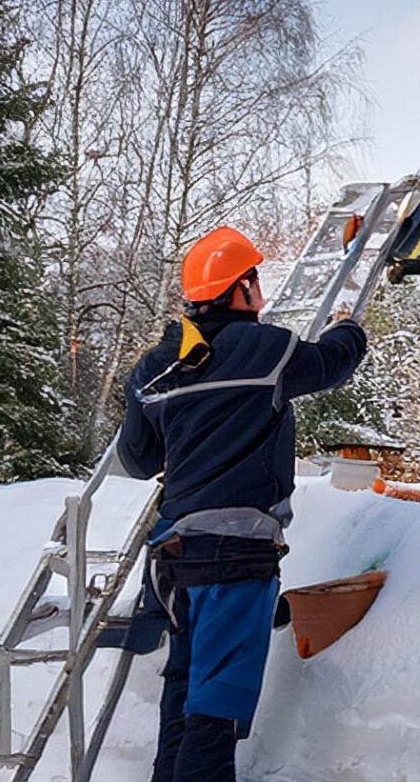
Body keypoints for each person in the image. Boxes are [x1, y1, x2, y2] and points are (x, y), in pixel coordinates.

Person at [117, 226, 367, 782]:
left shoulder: (159, 365)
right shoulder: (266, 348)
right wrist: (348, 326)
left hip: (173, 558)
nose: (261, 289)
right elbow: (332, 363)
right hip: (235, 555)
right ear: (240, 289)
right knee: (216, 708)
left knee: (183, 688)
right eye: (254, 279)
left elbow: (137, 460)